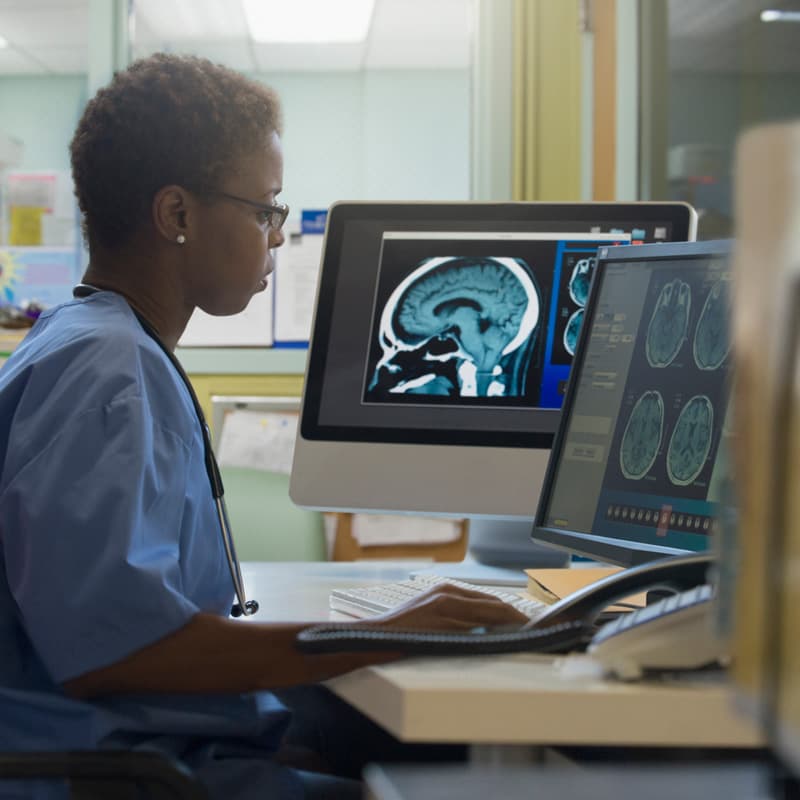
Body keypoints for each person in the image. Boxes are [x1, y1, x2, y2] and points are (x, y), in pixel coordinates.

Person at [0, 54, 527, 800]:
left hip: (154, 750)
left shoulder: (95, 342)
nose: (277, 236)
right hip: (130, 776)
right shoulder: (107, 372)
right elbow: (114, 651)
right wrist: (378, 634)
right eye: (264, 210)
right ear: (177, 215)